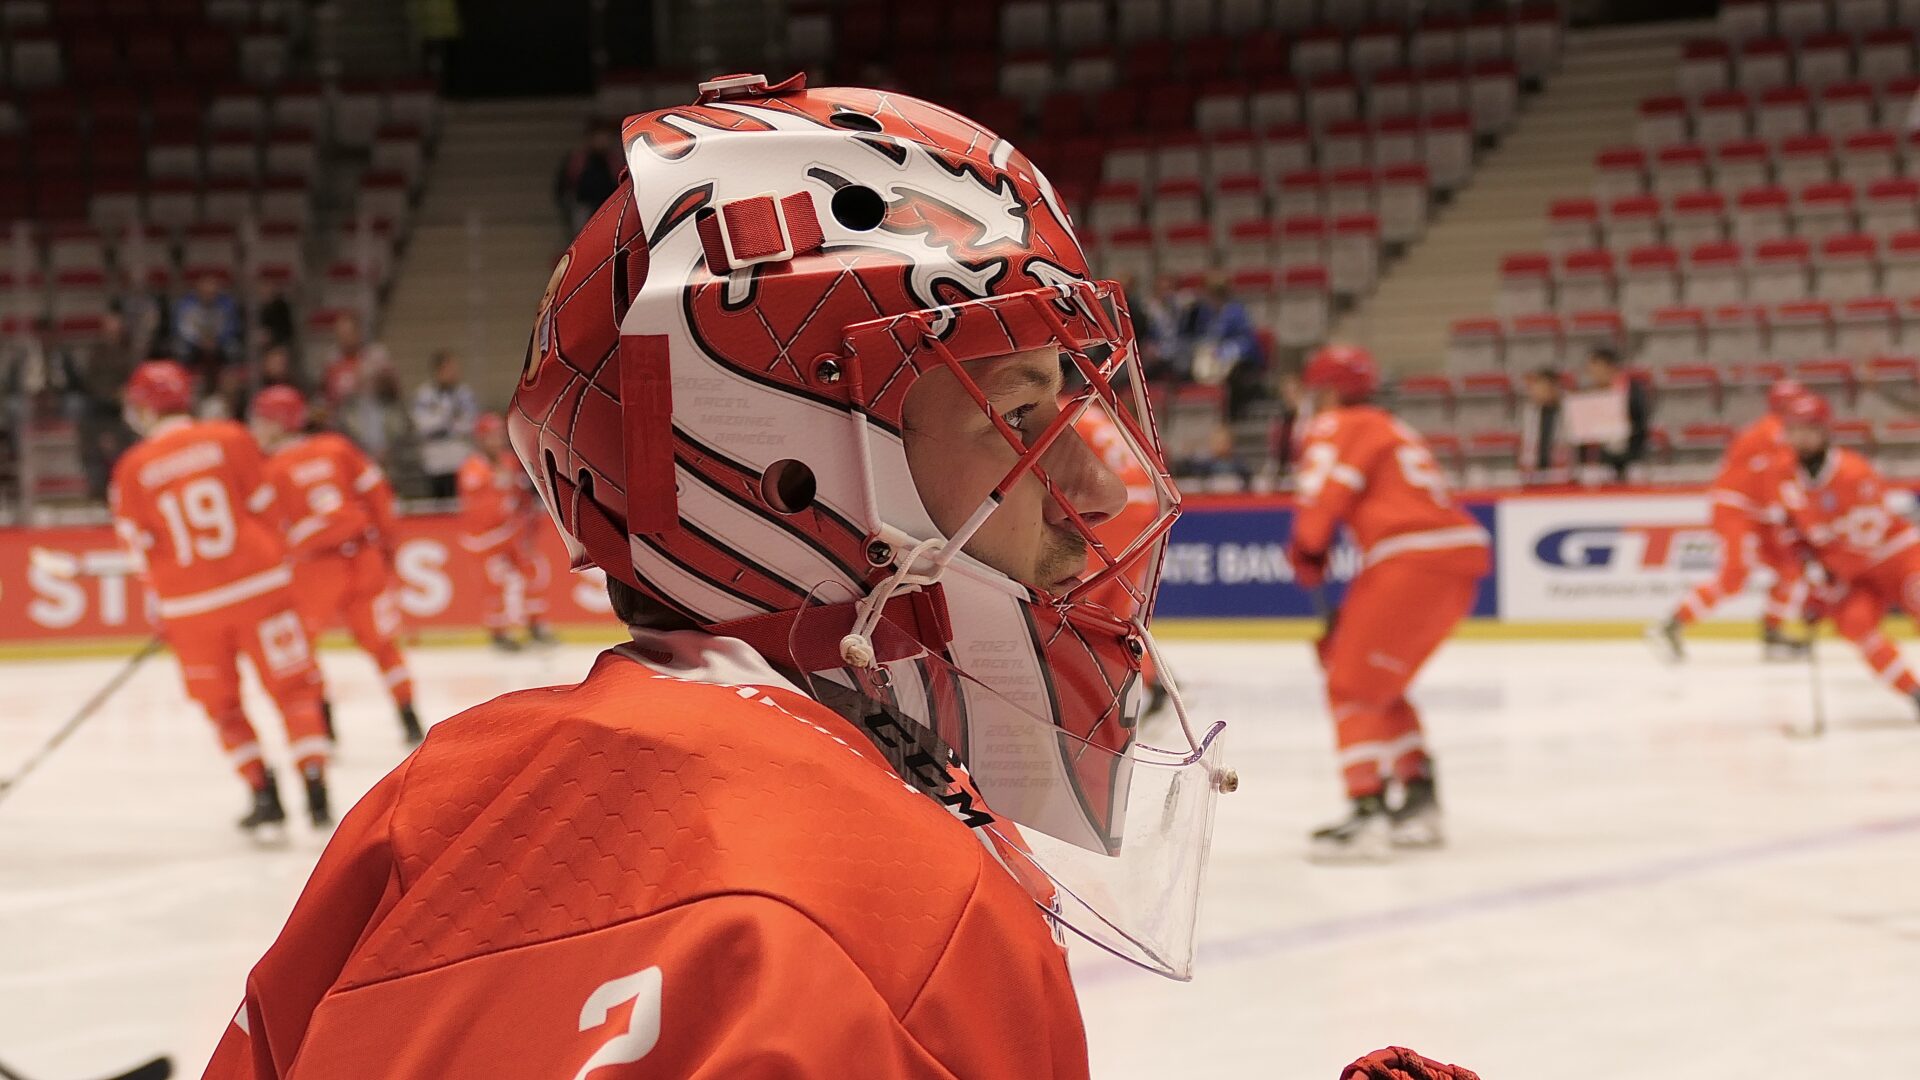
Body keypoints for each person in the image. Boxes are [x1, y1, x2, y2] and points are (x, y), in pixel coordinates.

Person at [201, 76, 1236, 1080]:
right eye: (1014, 414)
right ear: (786, 467)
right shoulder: (900, 904)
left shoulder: (430, 811)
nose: (1098, 486)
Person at [108, 360, 332, 835]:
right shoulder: (230, 438)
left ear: (145, 408)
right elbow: (268, 510)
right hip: (260, 590)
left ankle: (262, 793)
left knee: (222, 705)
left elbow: (138, 549)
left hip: (191, 609)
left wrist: (166, 605)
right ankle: (316, 791)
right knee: (294, 690)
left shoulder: (132, 467)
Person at [1286, 343, 1490, 861]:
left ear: (1327, 392)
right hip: (1452, 554)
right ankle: (1417, 798)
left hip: (1411, 557)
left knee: (1349, 684)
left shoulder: (1336, 424)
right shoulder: (1389, 425)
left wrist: (1308, 547)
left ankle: (1367, 809)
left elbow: (1320, 500)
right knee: (1380, 685)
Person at [251, 385, 423, 746]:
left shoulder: (271, 470)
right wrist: (387, 549)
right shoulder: (337, 448)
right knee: (384, 645)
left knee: (304, 648)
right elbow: (379, 497)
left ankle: (323, 723)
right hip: (362, 557)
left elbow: (270, 532)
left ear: (279, 422)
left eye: (262, 420)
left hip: (314, 571)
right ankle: (409, 718)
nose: (256, 428)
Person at [1762, 392, 1920, 714]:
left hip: (1896, 557)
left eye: (1808, 429)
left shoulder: (1853, 472)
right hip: (1856, 576)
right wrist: (1810, 570)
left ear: (1824, 430)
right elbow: (1793, 530)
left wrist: (1828, 588)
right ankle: (1915, 694)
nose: (1800, 437)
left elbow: (1868, 537)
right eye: (1794, 429)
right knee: (1855, 625)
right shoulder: (1783, 474)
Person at [1648, 379, 1808, 661]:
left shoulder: (1777, 432)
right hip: (1737, 508)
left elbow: (1776, 481)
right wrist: (1791, 517)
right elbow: (1777, 481)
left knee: (1790, 568)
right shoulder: (1776, 432)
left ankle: (1773, 633)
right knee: (1735, 575)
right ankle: (1672, 624)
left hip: (1757, 512)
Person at [458, 411, 549, 650]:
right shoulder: (472, 469)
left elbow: (522, 496)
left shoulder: (510, 461)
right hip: (485, 540)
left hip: (510, 533)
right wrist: (500, 485)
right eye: (491, 435)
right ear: (480, 439)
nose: (496, 440)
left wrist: (526, 520)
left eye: (499, 434)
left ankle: (535, 625)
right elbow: (482, 511)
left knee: (531, 572)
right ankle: (499, 633)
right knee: (494, 584)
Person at [1574, 346, 1650, 484]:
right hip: (1604, 457)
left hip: (1631, 454)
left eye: (1595, 369)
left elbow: (1641, 421)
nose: (1593, 374)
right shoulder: (1590, 394)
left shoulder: (1631, 390)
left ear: (1608, 367)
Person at [409, 349, 477, 499]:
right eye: (449, 369)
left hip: (460, 458)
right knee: (440, 505)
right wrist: (447, 418)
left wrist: (442, 419)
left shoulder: (464, 393)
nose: (454, 373)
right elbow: (422, 425)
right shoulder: (424, 395)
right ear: (438, 370)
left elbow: (469, 423)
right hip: (435, 461)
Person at [552, 118, 626, 236]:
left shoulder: (616, 161)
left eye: (605, 136)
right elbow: (562, 187)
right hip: (584, 208)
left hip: (609, 209)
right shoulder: (578, 161)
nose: (601, 140)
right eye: (598, 136)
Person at [172, 271, 243, 384]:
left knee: (233, 349)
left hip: (220, 341)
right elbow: (182, 328)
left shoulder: (227, 304)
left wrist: (218, 339)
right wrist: (198, 341)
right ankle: (182, 382)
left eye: (212, 290)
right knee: (180, 349)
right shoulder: (186, 304)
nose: (209, 293)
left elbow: (232, 326)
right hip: (193, 343)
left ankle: (229, 383)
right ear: (198, 288)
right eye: (205, 290)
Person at [318, 311, 391, 413]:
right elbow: (324, 393)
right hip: (339, 415)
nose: (344, 338)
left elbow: (393, 390)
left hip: (371, 412)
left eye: (347, 333)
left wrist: (379, 378)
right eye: (340, 334)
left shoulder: (375, 356)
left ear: (358, 333)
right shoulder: (331, 361)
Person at [1517, 366, 1565, 482]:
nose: (1538, 392)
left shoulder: (1566, 412)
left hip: (1560, 471)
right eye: (1536, 387)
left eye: (1544, 388)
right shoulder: (1529, 413)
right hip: (1534, 470)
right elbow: (1524, 444)